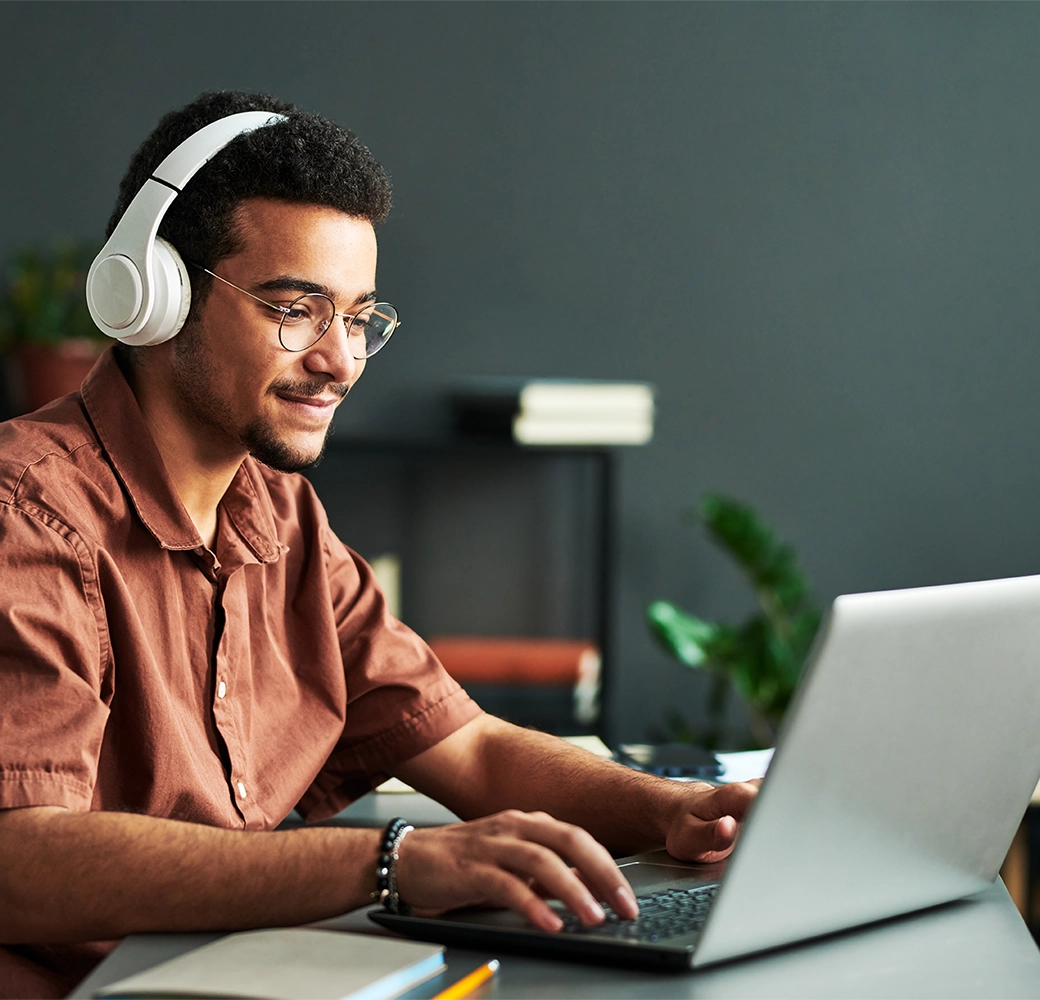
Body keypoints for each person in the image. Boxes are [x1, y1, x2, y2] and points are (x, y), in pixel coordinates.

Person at [0, 91, 758, 998]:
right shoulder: (27, 514)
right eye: (296, 309)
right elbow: (18, 857)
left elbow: (466, 749)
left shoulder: (283, 518)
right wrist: (391, 862)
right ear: (155, 296)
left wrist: (677, 811)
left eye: (358, 317)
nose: (341, 360)